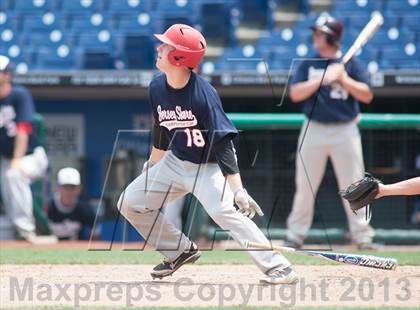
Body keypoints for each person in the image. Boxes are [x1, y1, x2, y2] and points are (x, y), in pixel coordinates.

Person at [117, 24, 297, 285]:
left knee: (223, 211)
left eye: (166, 46)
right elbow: (161, 131)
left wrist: (238, 190)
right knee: (129, 201)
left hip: (208, 167)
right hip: (175, 162)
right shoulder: (156, 87)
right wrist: (153, 164)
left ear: (179, 58)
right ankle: (179, 250)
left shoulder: (204, 94)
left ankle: (280, 268)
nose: (159, 47)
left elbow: (223, 143)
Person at [285, 15, 376, 250]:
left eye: (320, 33)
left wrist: (344, 79)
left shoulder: (352, 64)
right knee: (304, 185)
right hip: (313, 128)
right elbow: (295, 94)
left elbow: (367, 95)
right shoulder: (309, 63)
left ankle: (362, 236)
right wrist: (323, 78)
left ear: (332, 37)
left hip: (345, 130)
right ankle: (295, 235)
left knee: (355, 184)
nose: (316, 36)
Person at [0, 55, 51, 243]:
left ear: (7, 75)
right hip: (6, 158)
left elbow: (23, 130)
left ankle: (26, 229)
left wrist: (16, 160)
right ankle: (18, 232)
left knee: (14, 174)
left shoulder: (18, 94)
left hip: (31, 156)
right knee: (8, 183)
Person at [48, 167, 98, 240]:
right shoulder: (48, 207)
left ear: (79, 189)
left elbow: (95, 231)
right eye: (65, 187)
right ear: (57, 188)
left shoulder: (84, 209)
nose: (68, 192)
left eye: (72, 187)